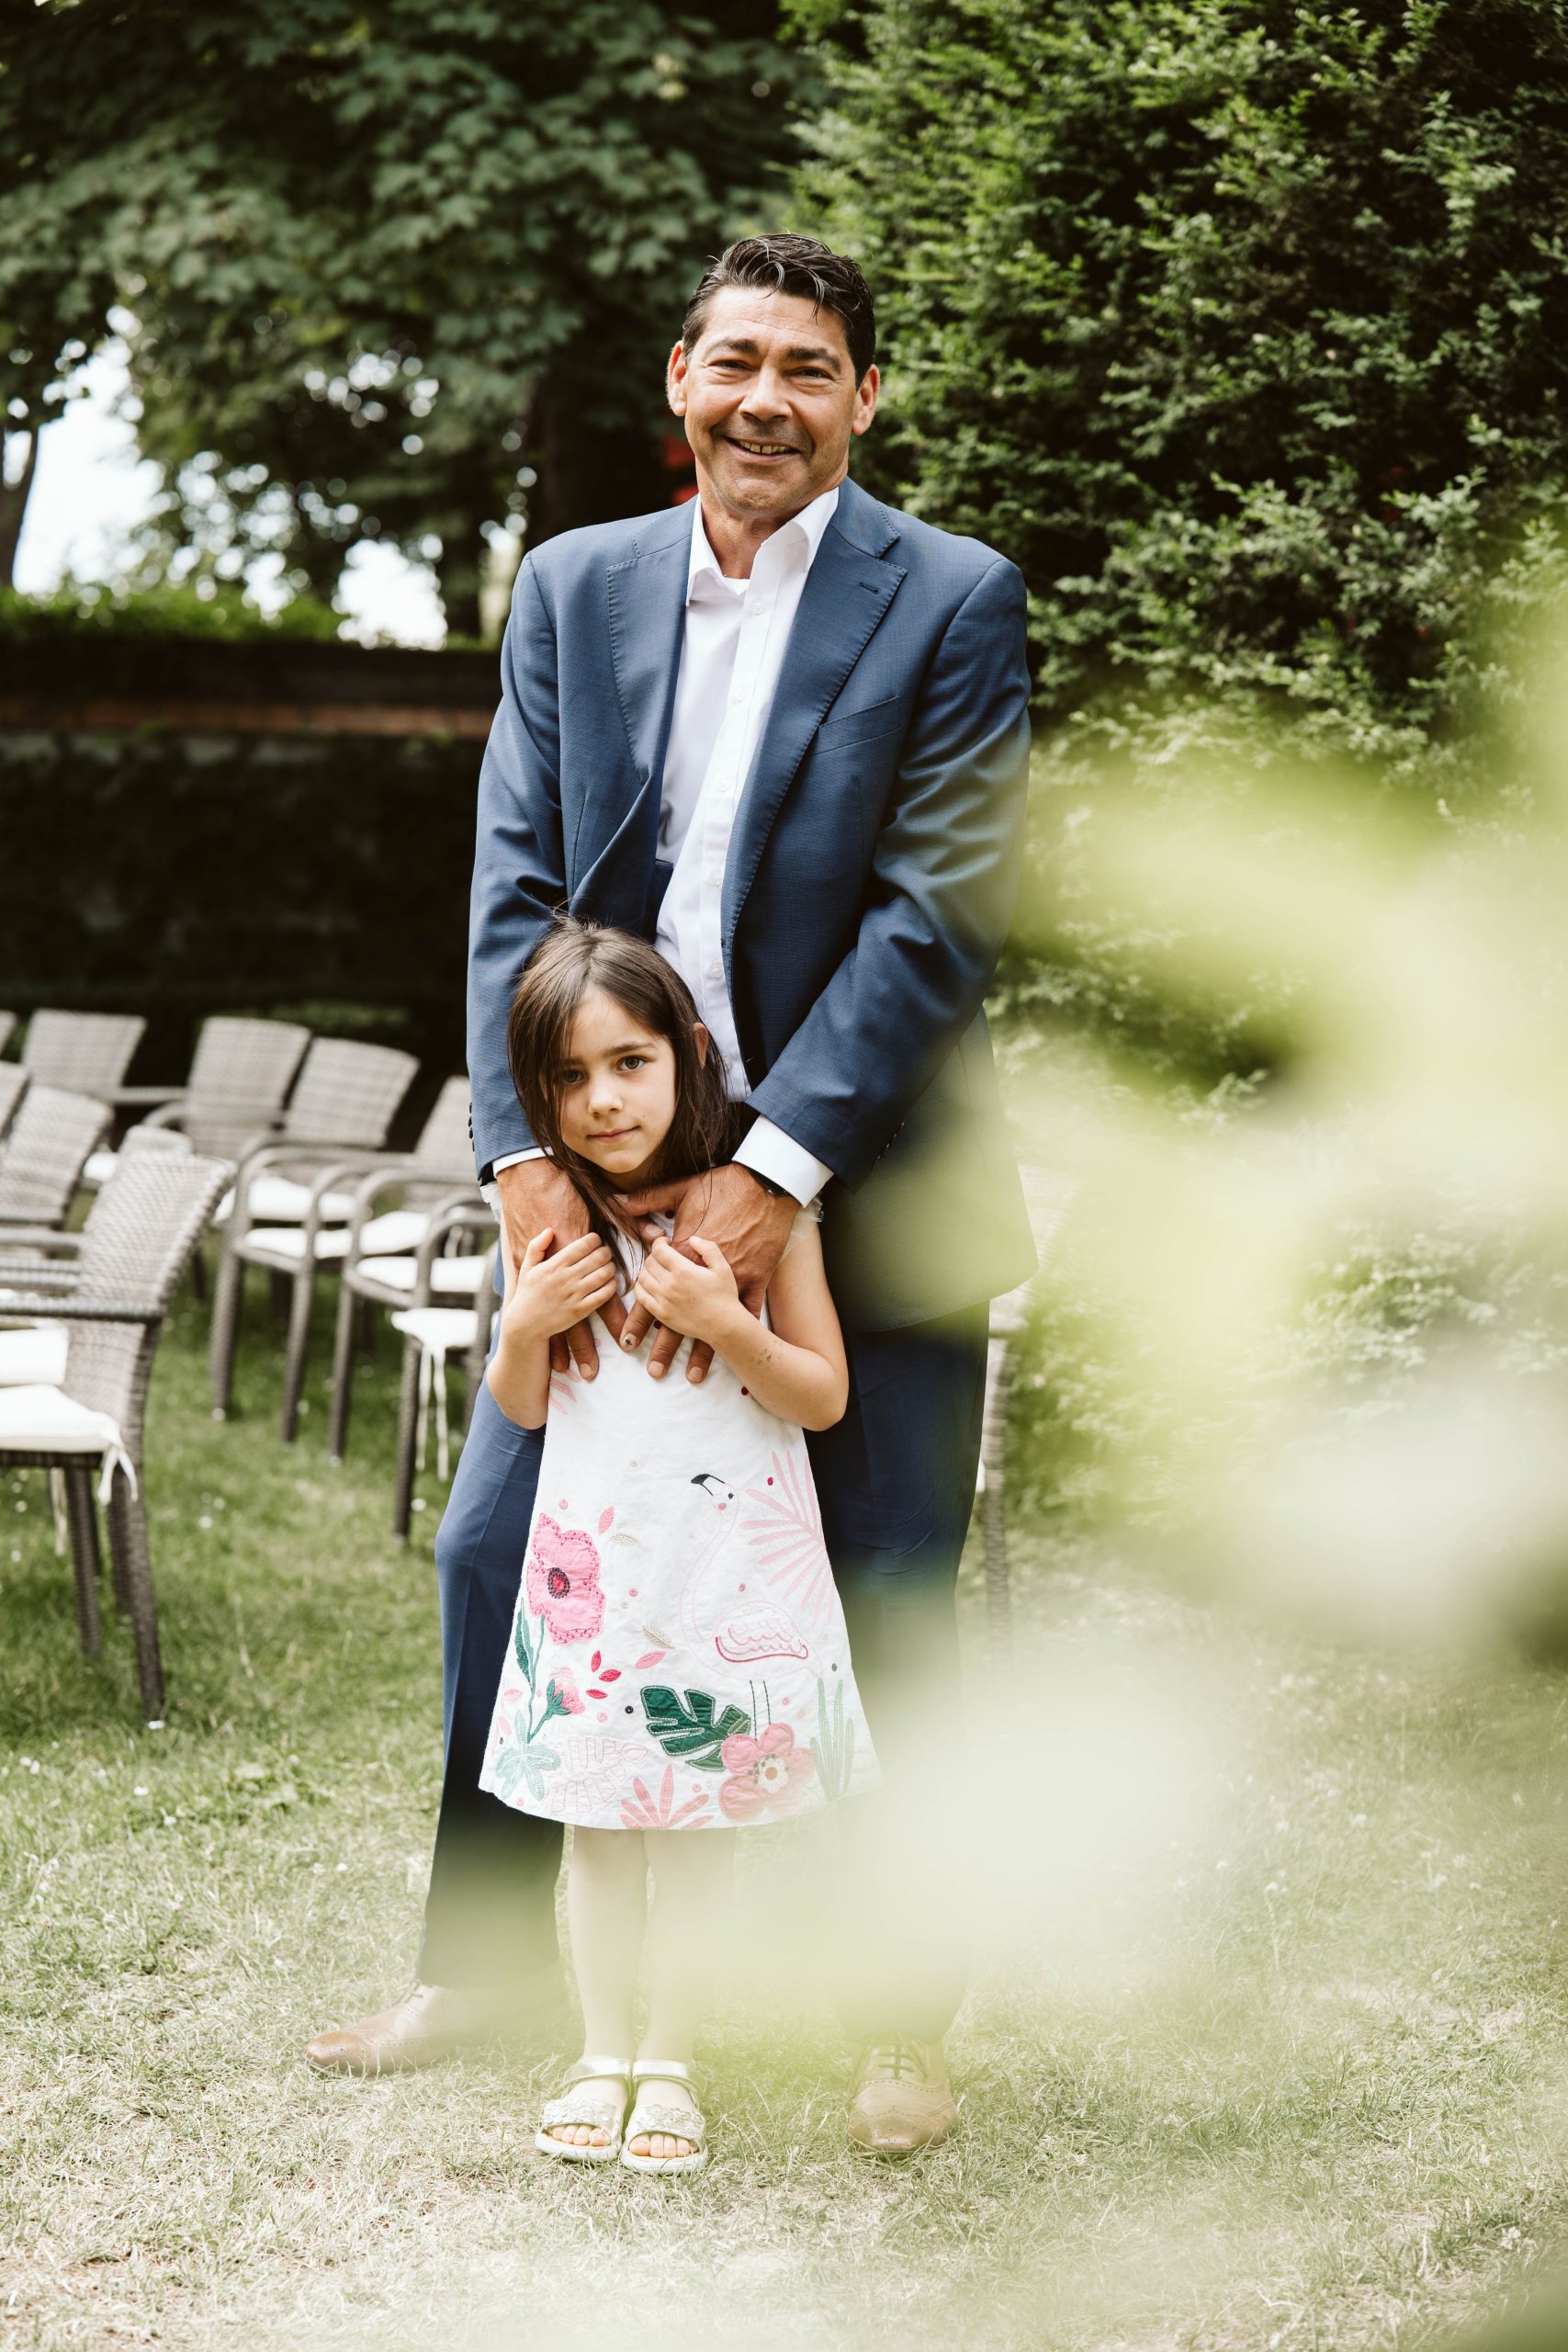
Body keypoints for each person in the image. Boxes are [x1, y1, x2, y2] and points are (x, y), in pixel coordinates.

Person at [306, 231, 1034, 2156]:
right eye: (734, 363)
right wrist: (524, 1160)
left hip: (871, 1179)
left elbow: (938, 916)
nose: (764, 401)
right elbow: (513, 887)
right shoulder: (574, 585)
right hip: (603, 1170)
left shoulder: (953, 597)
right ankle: (489, 1965)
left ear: (864, 397)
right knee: (496, 1553)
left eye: (808, 368)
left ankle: (898, 2020)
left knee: (884, 1588)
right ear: (679, 383)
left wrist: (775, 1170)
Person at [477, 919, 877, 2173]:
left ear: (690, 1054)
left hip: (723, 1576)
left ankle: (672, 2061)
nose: (603, 1100)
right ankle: (602, 2053)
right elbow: (523, 1408)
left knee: (698, 1835)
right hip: (598, 1578)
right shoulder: (548, 1218)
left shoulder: (764, 1220)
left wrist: (726, 1321)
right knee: (600, 1827)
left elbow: (821, 1396)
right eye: (570, 1077)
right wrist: (524, 1325)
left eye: (630, 1063)